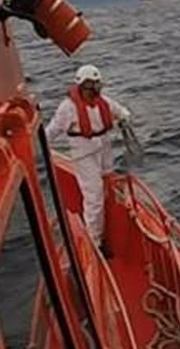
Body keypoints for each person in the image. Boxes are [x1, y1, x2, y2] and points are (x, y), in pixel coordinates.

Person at [44, 64, 133, 251]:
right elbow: (52, 131)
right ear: (81, 87)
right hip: (84, 155)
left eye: (96, 86)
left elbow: (121, 111)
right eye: (89, 87)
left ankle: (110, 228)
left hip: (104, 150)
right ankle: (95, 241)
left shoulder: (103, 102)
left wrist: (124, 118)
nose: (93, 91)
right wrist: (39, 146)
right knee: (94, 196)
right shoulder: (67, 108)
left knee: (109, 184)